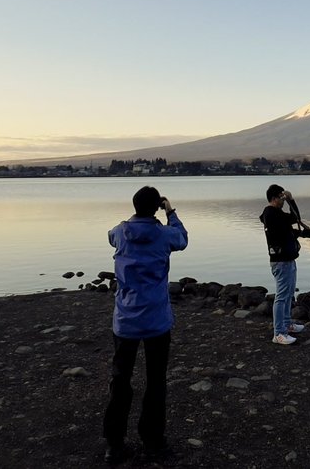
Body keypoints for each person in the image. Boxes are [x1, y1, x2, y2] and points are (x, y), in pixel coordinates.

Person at [103, 186, 188, 465]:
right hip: (156, 321)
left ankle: (114, 444)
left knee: (120, 380)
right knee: (155, 381)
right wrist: (171, 212)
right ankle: (153, 441)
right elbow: (183, 238)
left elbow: (110, 236)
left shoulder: (120, 232)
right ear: (156, 207)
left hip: (125, 321)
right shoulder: (164, 234)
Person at [260, 184, 310, 345]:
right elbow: (294, 219)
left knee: (288, 294)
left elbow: (287, 228)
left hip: (287, 259)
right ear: (274, 198)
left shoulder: (275, 214)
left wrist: (303, 234)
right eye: (281, 198)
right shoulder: (270, 214)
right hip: (281, 261)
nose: (283, 201)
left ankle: (286, 325)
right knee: (282, 296)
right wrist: (291, 200)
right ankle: (279, 333)